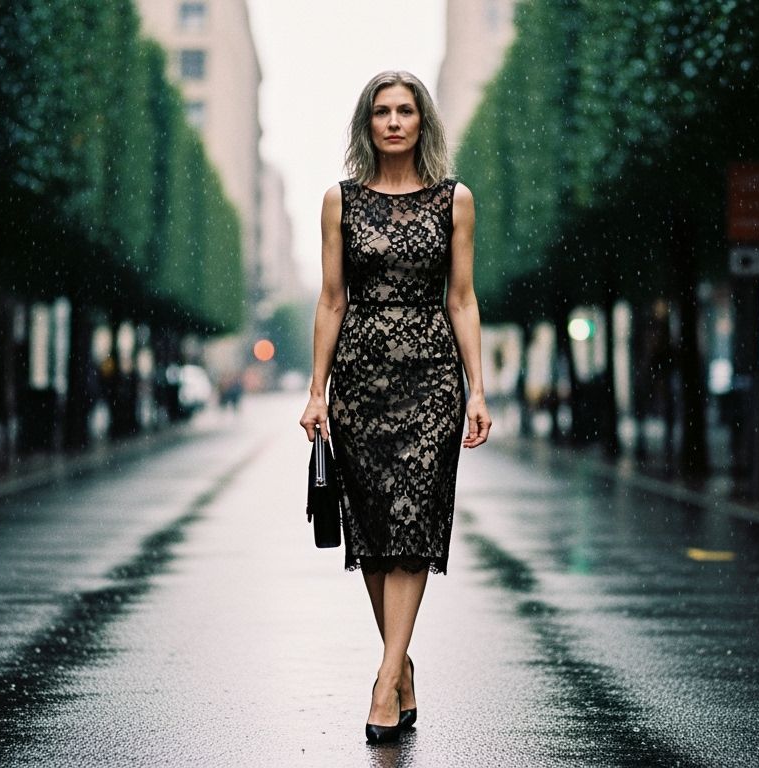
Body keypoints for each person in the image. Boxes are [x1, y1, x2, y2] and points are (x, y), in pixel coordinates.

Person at [298, 70, 491, 745]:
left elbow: (461, 298)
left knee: (413, 519)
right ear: (368, 123)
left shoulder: (454, 200)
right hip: (358, 382)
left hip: (432, 380)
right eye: (382, 111)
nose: (394, 122)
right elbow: (332, 299)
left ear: (422, 121)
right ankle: (402, 664)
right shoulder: (340, 201)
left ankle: (384, 681)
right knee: (375, 531)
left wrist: (477, 388)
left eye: (406, 110)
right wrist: (317, 390)